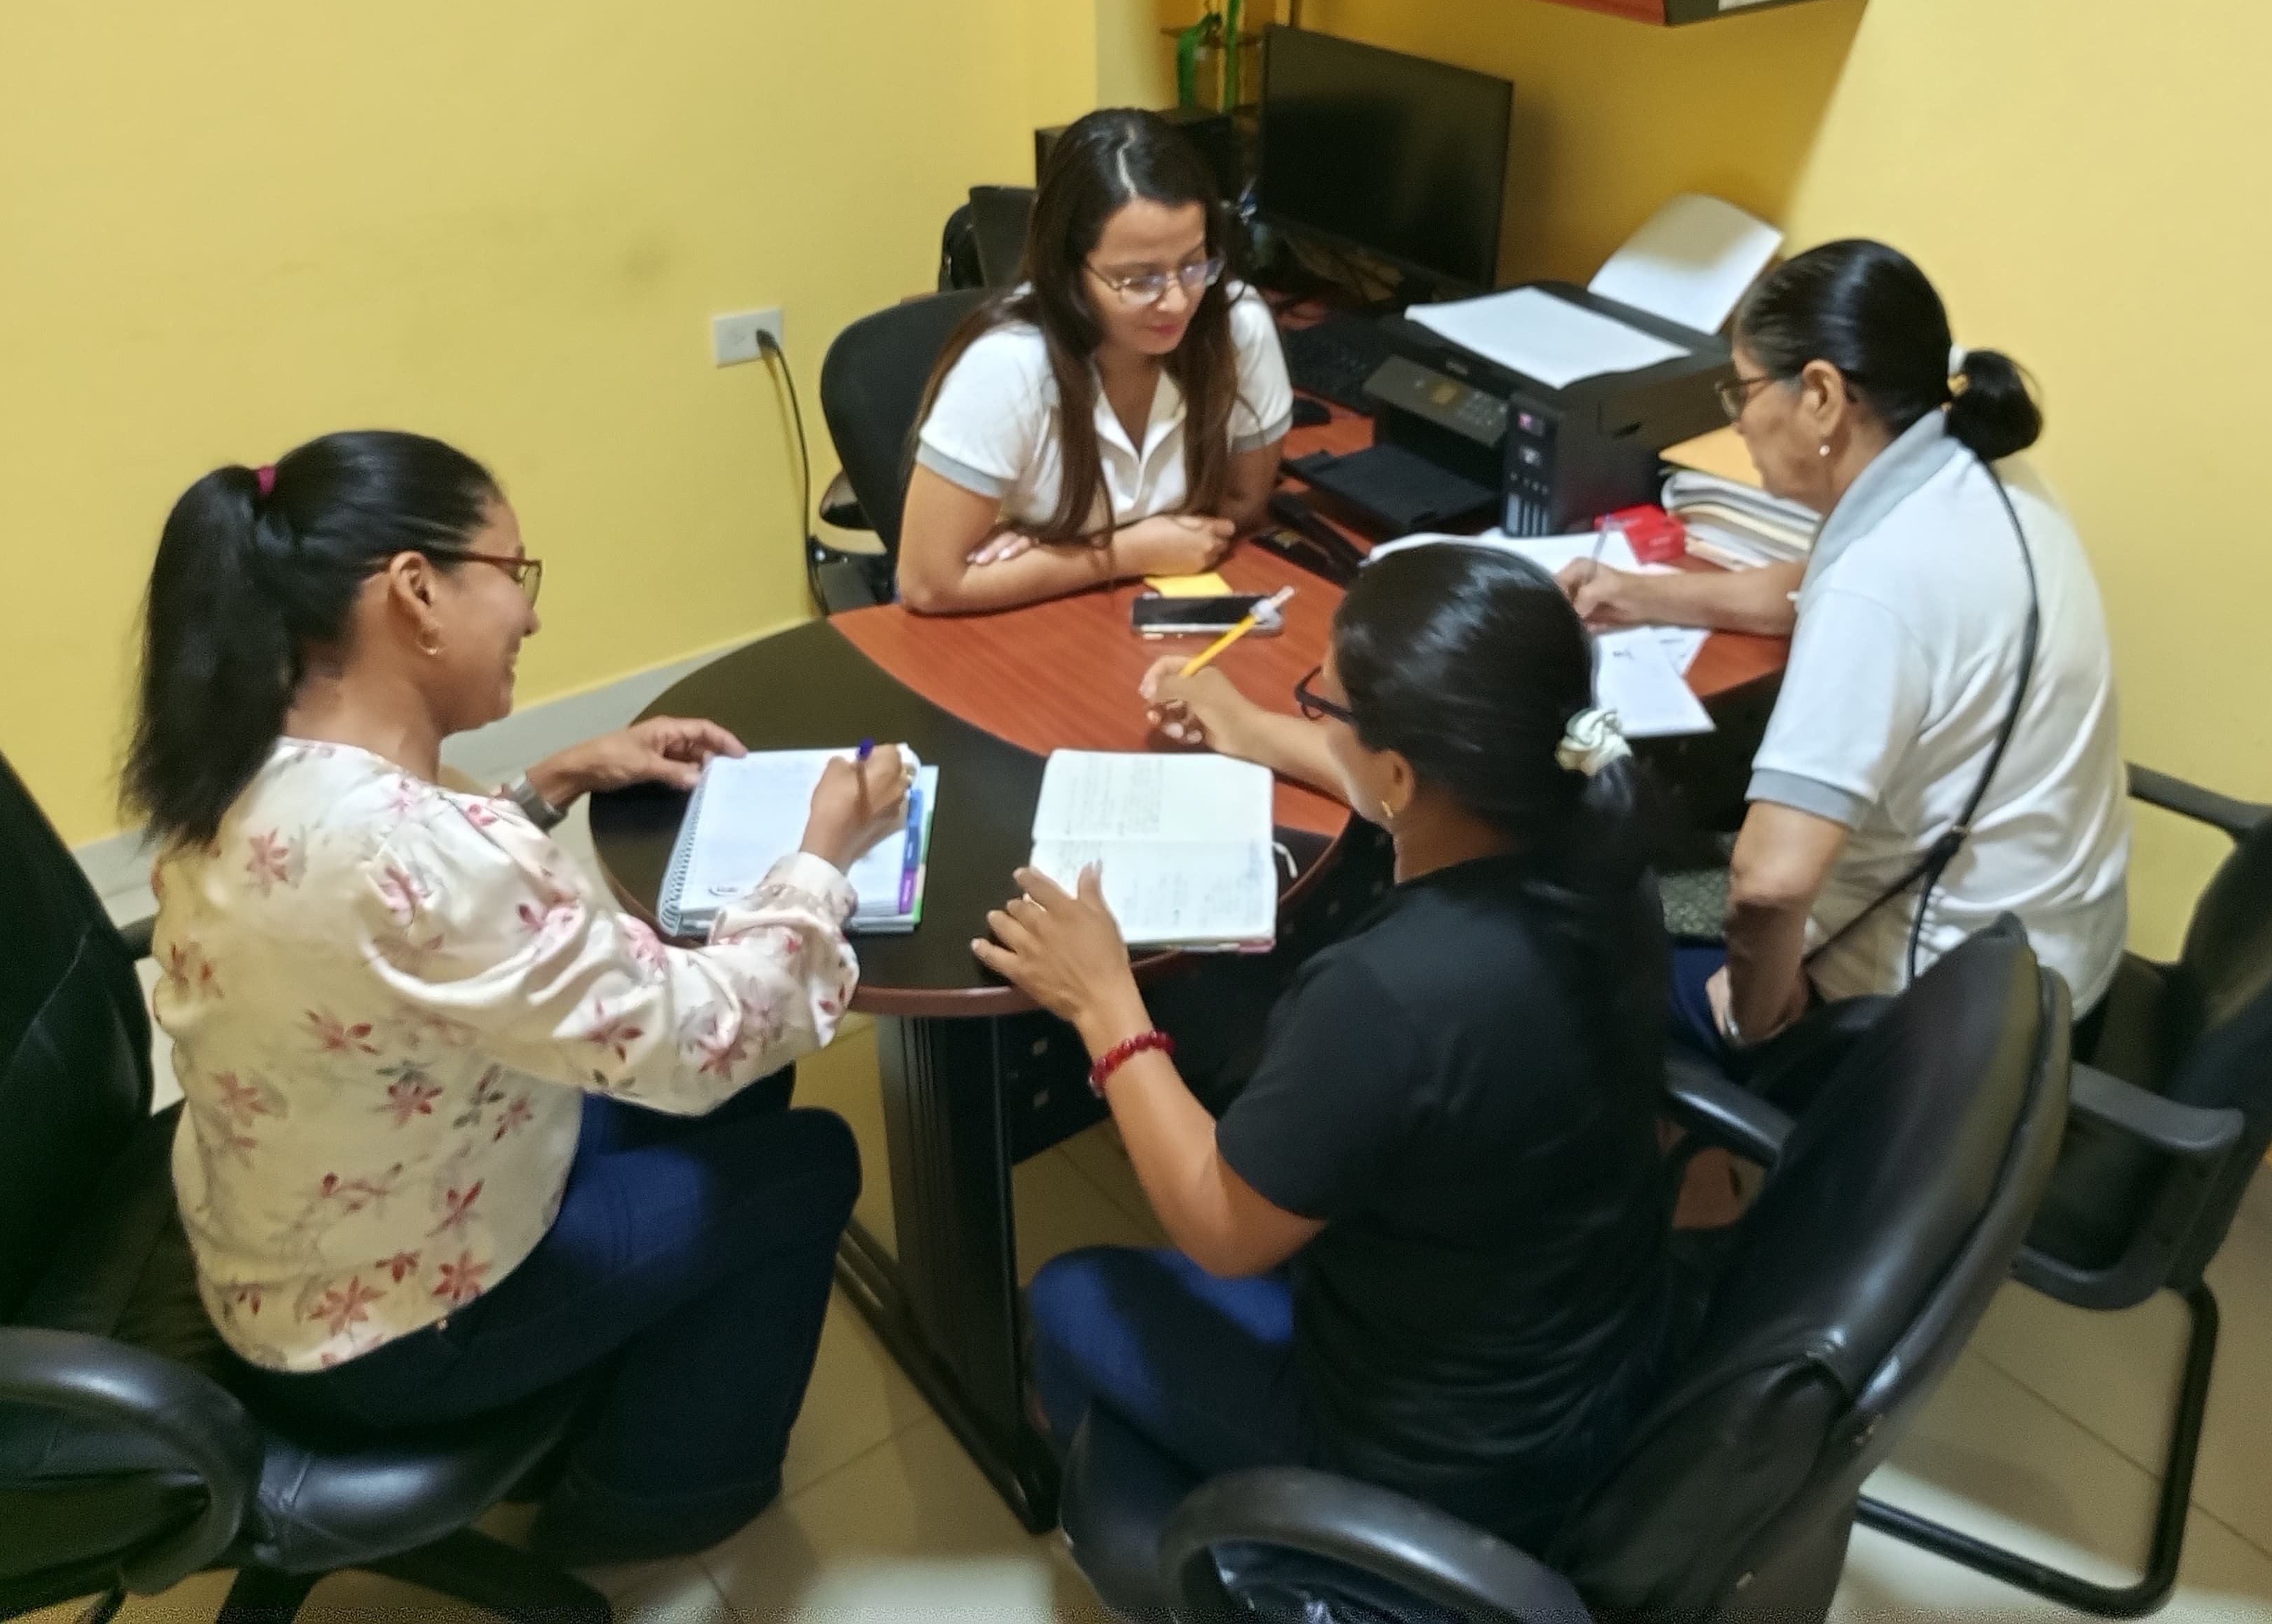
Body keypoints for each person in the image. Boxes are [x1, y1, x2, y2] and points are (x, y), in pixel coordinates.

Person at [126, 429, 908, 1566]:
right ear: (415, 591)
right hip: (392, 1336)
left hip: (309, 1243)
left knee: (740, 1088)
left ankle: (627, 1369)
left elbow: (406, 915)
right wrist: (825, 853)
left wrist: (553, 780)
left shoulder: (246, 766)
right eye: (513, 573)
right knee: (810, 1157)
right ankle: (653, 1499)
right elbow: (703, 1036)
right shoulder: (420, 853)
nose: (530, 616)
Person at [974, 544, 1675, 1554]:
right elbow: (1406, 794)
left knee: (1070, 1296)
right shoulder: (1598, 843)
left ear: (1398, 771)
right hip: (1588, 1362)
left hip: (1431, 1455)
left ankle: (1239, 1555)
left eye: (1323, 705)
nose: (1312, 716)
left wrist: (1103, 1002)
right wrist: (1248, 727)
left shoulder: (1388, 996)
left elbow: (1222, 1232)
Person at [1556, 239, 2129, 1057]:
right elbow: (1812, 587)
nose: (1735, 419)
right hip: (2054, 964)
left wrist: (1749, 1019)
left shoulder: (1881, 582)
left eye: (1743, 389)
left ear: (1822, 395)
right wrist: (1643, 595)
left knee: (1568, 951)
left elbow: (1769, 883)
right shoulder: (1972, 470)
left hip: (1939, 1034)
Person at [895, 107, 1293, 614]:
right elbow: (927, 582)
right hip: (1026, 623)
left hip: (1136, 607)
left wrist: (1057, 549)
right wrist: (1123, 553)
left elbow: (1243, 504)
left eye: (1193, 264)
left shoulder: (1238, 325)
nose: (1176, 302)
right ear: (1068, 269)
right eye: (1140, 279)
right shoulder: (1006, 366)